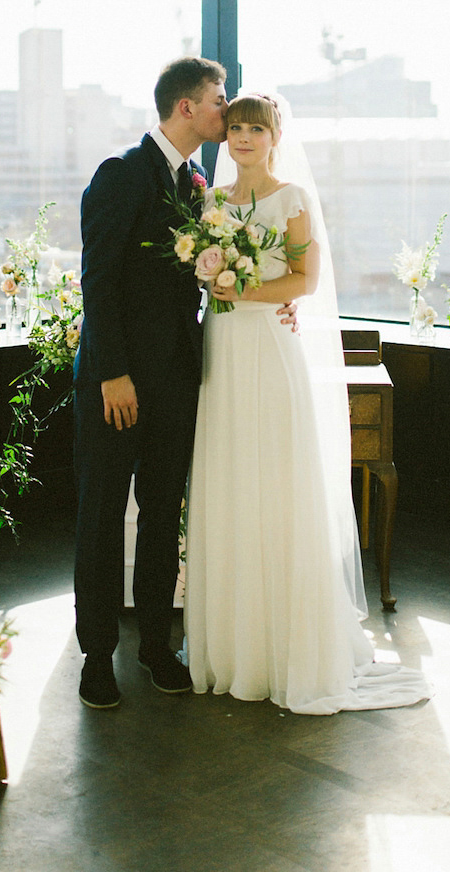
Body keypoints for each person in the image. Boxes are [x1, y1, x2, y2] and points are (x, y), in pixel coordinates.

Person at [184, 92, 431, 714]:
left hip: (269, 348)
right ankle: (237, 645)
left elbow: (305, 282)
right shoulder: (211, 204)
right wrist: (213, 280)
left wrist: (243, 288)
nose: (242, 138)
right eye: (235, 128)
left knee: (277, 481)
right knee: (232, 481)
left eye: (255, 129)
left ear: (275, 136)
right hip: (223, 352)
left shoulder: (291, 199)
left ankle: (290, 645)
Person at [73, 58, 297, 710]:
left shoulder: (201, 182)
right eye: (218, 101)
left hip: (176, 379)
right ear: (185, 109)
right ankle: (95, 658)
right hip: (116, 384)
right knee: (101, 517)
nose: (227, 113)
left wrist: (266, 297)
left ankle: (154, 648)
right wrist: (113, 373)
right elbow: (99, 282)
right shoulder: (120, 176)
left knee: (163, 513)